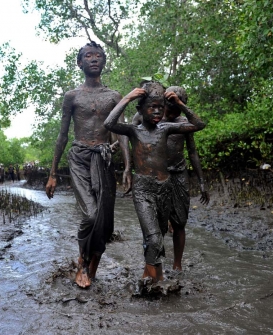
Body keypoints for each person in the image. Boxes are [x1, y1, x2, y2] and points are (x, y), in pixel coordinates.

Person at [45, 41, 133, 288]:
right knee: (91, 215)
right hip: (80, 157)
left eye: (98, 56)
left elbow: (120, 133)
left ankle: (93, 266)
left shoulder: (114, 96)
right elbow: (62, 135)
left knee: (105, 222)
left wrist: (127, 166)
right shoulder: (72, 96)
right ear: (80, 62)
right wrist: (52, 173)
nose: (94, 59)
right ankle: (82, 263)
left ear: (104, 62)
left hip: (104, 158)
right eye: (88, 56)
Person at [104, 82, 205, 283]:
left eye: (161, 107)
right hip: (143, 189)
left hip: (165, 187)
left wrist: (180, 104)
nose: (157, 111)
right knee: (153, 236)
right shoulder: (133, 130)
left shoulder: (166, 128)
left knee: (158, 235)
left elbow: (199, 124)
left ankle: (152, 274)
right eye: (152, 107)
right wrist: (127, 97)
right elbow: (109, 123)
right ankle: (156, 279)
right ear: (140, 110)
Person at [132, 86, 210, 271]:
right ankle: (152, 264)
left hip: (179, 174)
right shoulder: (154, 120)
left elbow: (192, 151)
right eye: (170, 106)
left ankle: (177, 264)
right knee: (154, 225)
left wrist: (201, 182)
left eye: (177, 108)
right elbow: (134, 128)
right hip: (156, 176)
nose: (173, 112)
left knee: (180, 222)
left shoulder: (183, 122)